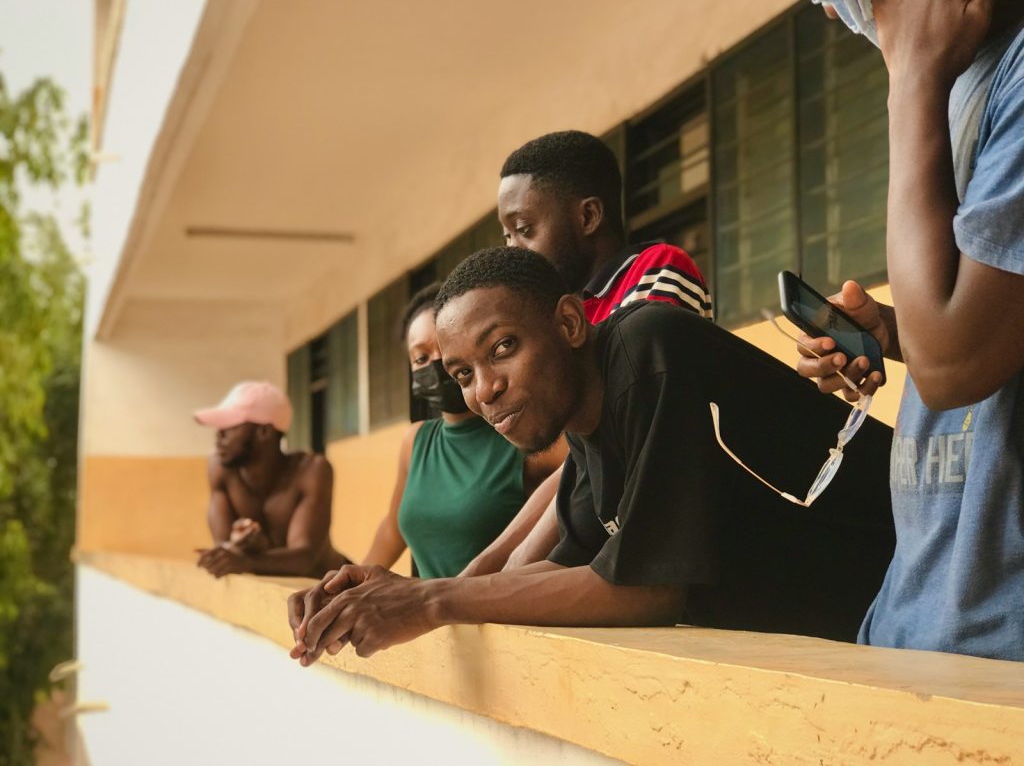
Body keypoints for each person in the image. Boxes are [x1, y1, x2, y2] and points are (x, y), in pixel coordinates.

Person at [285, 248, 894, 662]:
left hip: (904, 610)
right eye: (462, 372)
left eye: (503, 347)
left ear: (571, 323)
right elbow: (563, 571)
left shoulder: (646, 347)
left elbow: (644, 590)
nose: (485, 390)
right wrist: (389, 591)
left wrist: (430, 600)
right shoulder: (586, 427)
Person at [794, 0, 1024, 661]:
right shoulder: (965, 83)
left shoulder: (966, 78)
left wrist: (913, 74)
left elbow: (955, 368)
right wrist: (896, 335)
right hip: (911, 623)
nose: (836, 17)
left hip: (997, 653)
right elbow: (981, 330)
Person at [462, 130, 714, 575]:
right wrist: (479, 573)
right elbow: (581, 456)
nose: (513, 250)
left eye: (525, 230)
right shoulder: (561, 313)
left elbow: (608, 435)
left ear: (589, 216)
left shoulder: (658, 270)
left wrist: (498, 575)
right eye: (506, 237)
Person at [359, 283, 565, 579]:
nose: (434, 364)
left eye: (442, 350)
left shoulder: (522, 433)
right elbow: (393, 529)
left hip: (503, 618)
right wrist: (346, 587)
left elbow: (586, 466)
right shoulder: (416, 440)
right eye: (420, 358)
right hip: (429, 620)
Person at [194, 381, 350, 578]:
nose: (219, 435)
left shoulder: (311, 470)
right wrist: (237, 549)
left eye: (229, 426)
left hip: (335, 587)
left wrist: (245, 560)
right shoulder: (220, 468)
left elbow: (306, 558)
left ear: (264, 432)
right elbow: (225, 550)